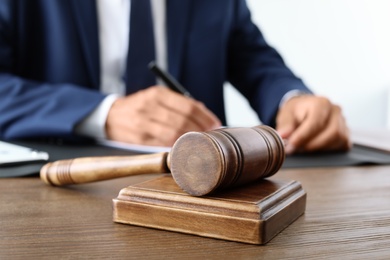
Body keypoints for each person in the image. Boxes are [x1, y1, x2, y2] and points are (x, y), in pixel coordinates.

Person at [0, 0, 350, 154]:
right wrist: (103, 114)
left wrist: (292, 98)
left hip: (202, 188)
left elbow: (248, 51)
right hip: (61, 187)